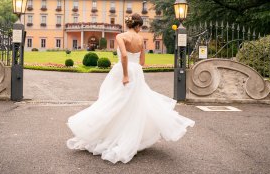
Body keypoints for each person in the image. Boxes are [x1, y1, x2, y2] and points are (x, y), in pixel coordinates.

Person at [66, 13, 195, 164]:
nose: (141, 29)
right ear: (138, 26)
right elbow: (142, 61)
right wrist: (134, 71)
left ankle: (107, 132)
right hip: (137, 72)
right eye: (141, 26)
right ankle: (125, 134)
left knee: (113, 100)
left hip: (123, 70)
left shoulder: (121, 36)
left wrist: (126, 74)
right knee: (133, 104)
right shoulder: (141, 39)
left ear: (128, 24)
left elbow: (124, 56)